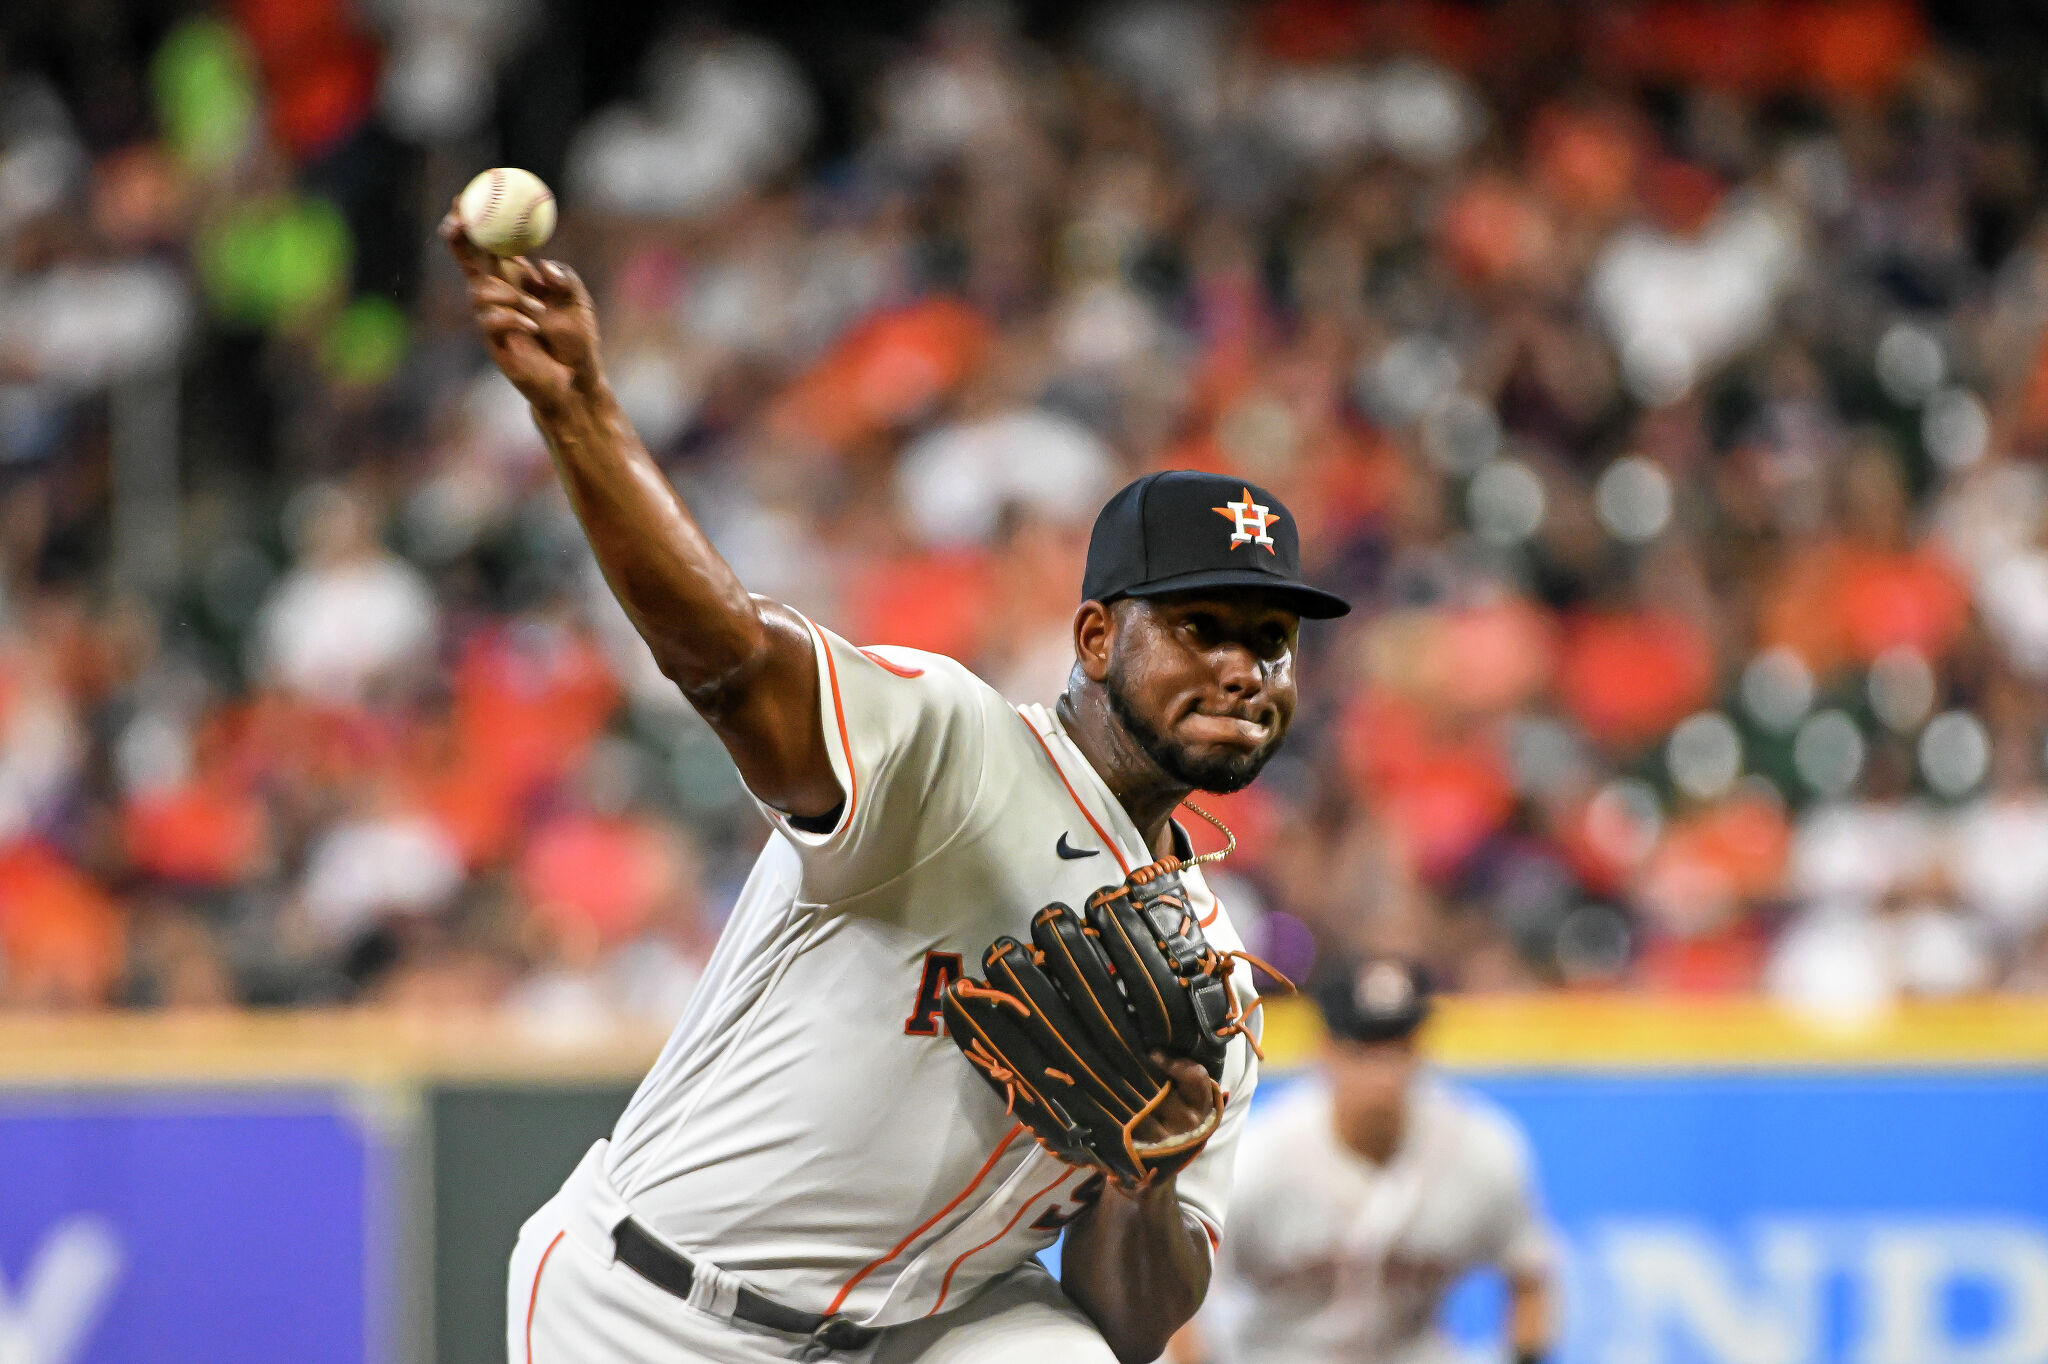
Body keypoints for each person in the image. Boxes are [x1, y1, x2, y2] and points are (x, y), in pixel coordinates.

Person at [441, 214, 1351, 1364]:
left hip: (922, 1331)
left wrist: (1142, 1177)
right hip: (654, 1302)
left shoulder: (1210, 976)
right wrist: (580, 413)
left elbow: (1130, 1319)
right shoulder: (953, 748)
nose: (1241, 666)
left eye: (1268, 640)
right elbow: (728, 661)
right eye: (1200, 626)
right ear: (1091, 635)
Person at [1180, 958, 1557, 1364]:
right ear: (1324, 1051)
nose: (1384, 1074)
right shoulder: (1260, 1157)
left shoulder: (1479, 1149)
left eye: (1399, 1048)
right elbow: (1180, 1301)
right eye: (1362, 1051)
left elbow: (1530, 1278)